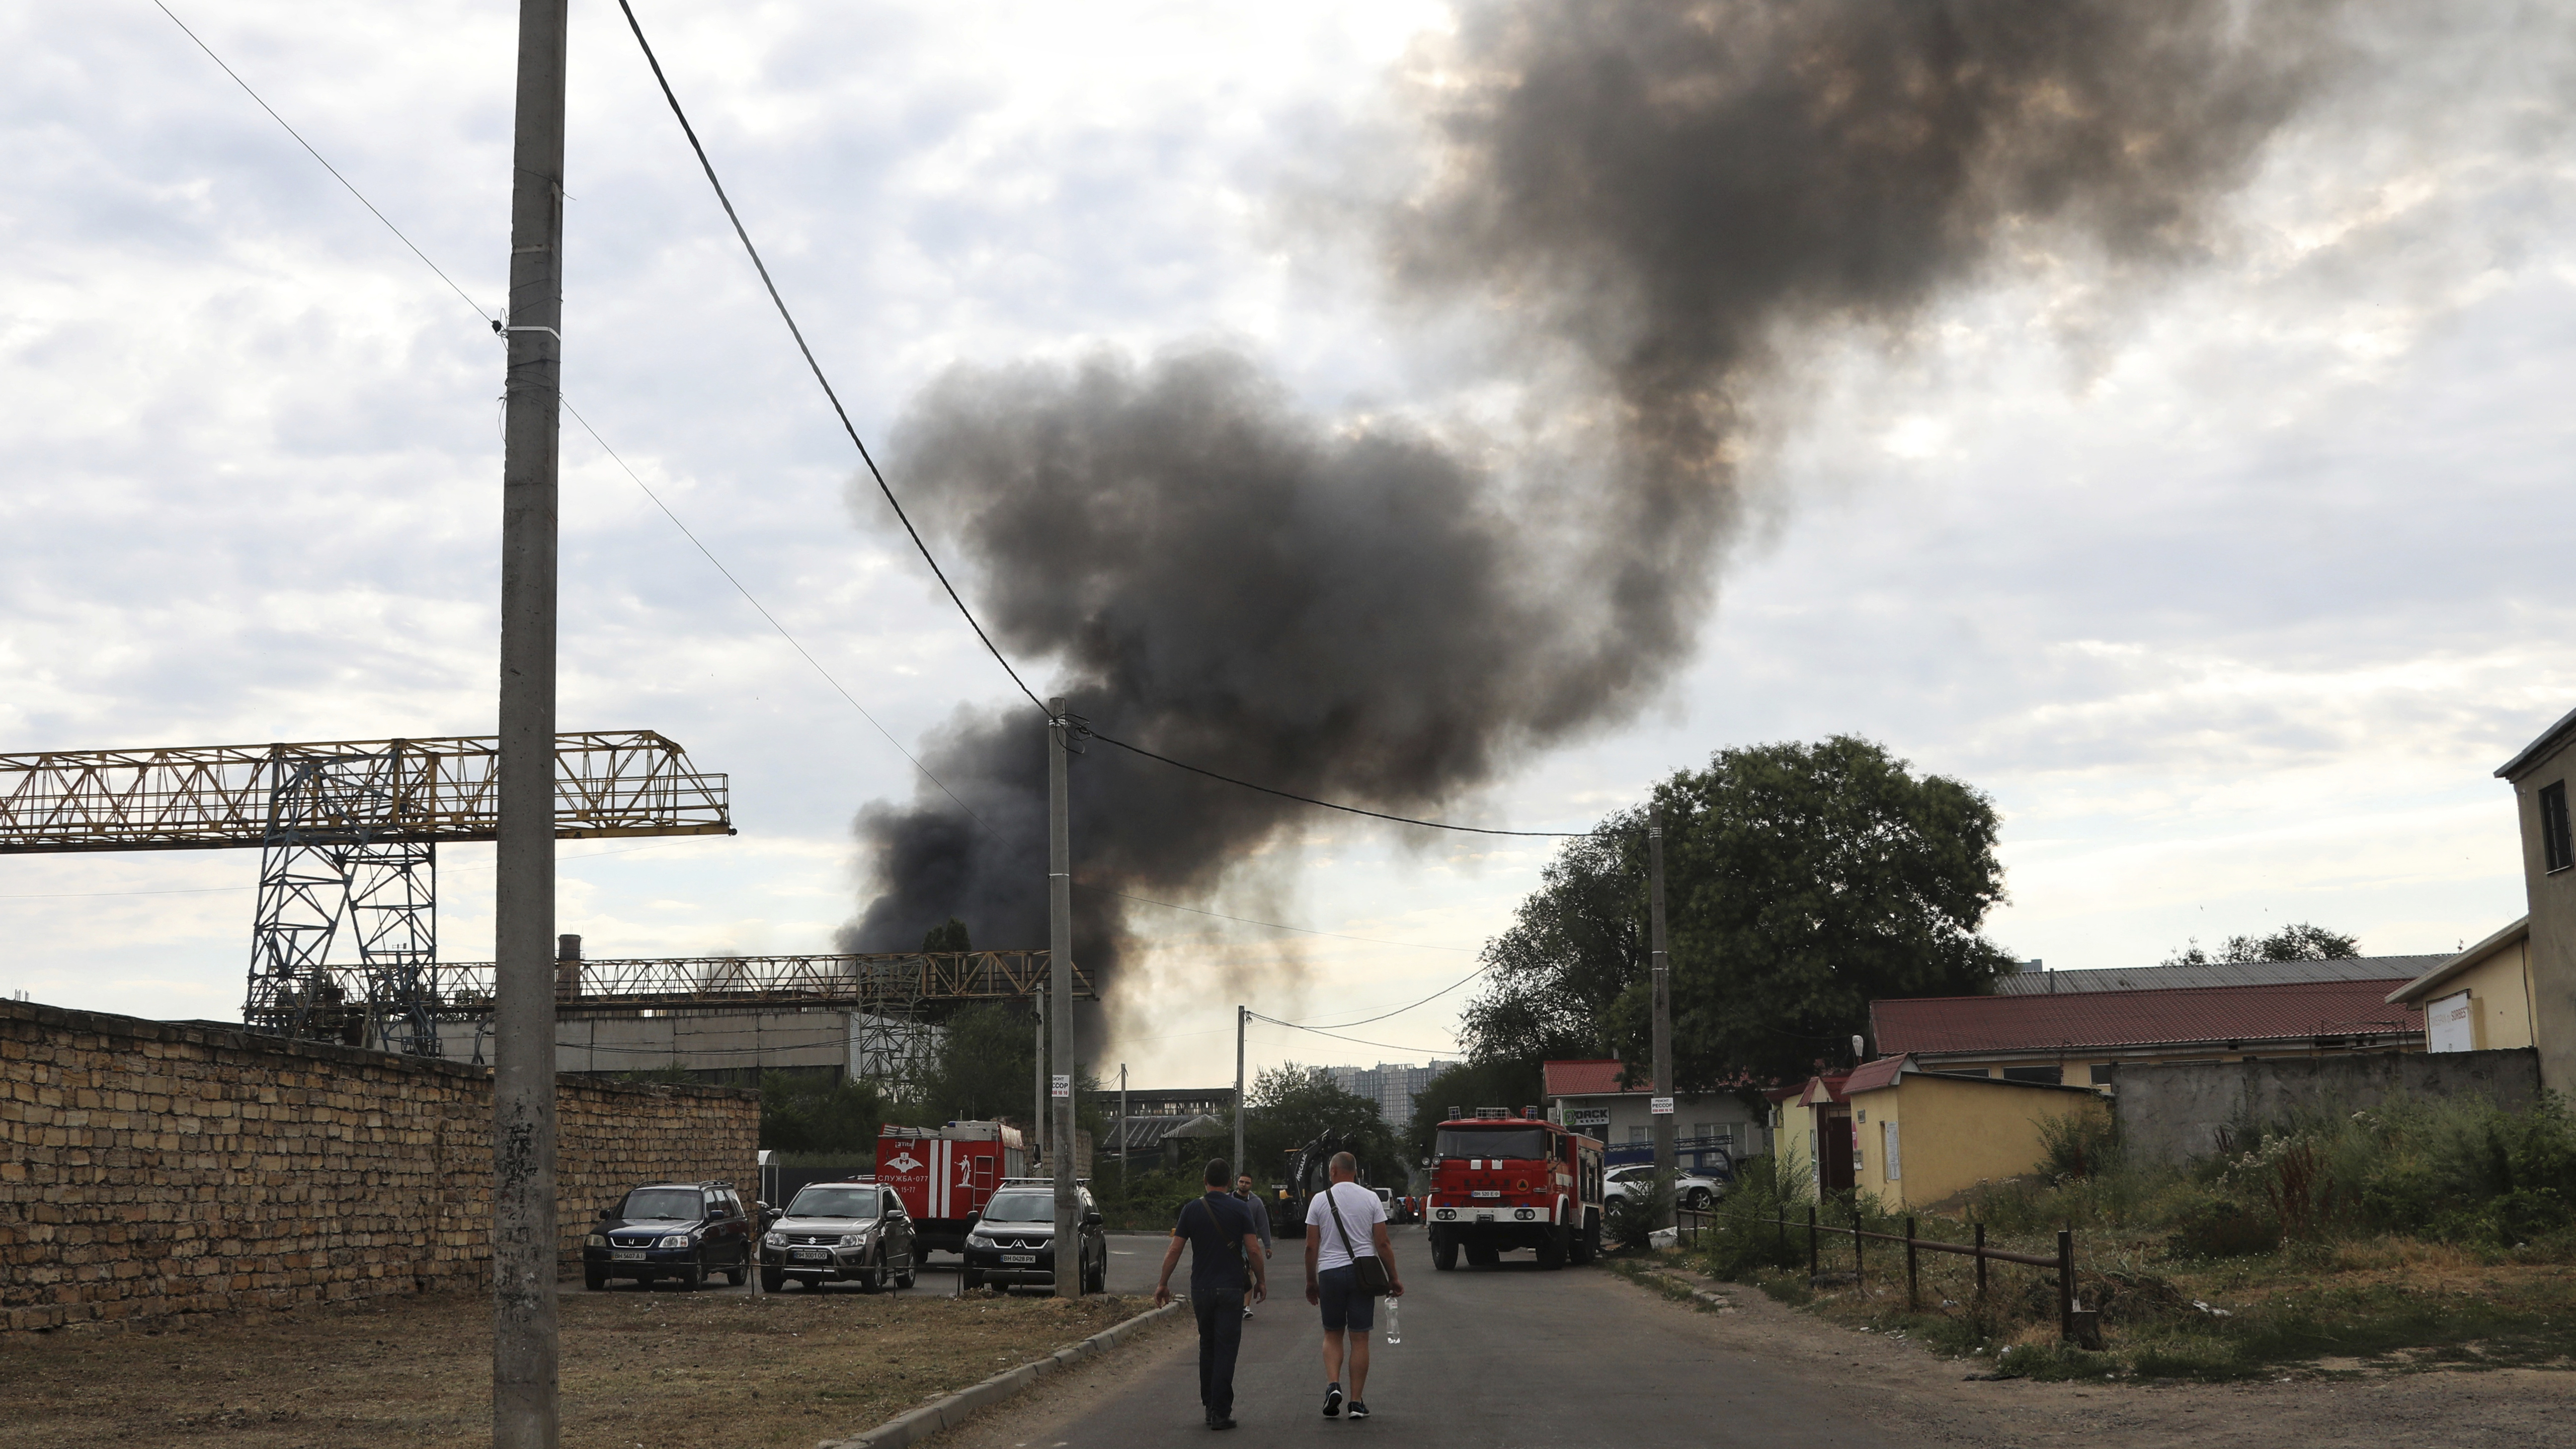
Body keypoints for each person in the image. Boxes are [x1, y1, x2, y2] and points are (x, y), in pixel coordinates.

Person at [1155, 1158, 1268, 1430]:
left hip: (1202, 1289)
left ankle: (1209, 1407)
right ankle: (1220, 1411)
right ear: (1230, 1182)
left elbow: (1175, 1250)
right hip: (1231, 1289)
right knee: (1226, 1349)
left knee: (1207, 1345)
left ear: (1205, 1181)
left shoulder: (1191, 1209)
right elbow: (1253, 1250)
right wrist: (1261, 1280)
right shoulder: (1240, 1209)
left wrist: (1163, 1283)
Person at [1303, 1151, 1403, 1423]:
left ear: (1332, 1171)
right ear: (1355, 1172)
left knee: (1332, 1334)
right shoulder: (1371, 1198)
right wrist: (1393, 1277)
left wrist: (1311, 1281)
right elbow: (1382, 1243)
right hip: (1363, 1276)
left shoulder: (1320, 1200)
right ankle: (1356, 1402)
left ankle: (1333, 1385)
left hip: (1330, 1274)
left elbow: (1312, 1246)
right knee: (1360, 1338)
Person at [1234, 1173, 1273, 1319]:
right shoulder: (1228, 1199)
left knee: (1248, 1272)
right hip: (1229, 1242)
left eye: (1247, 1183)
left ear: (1251, 1185)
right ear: (1237, 1183)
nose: (1244, 1185)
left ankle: (1245, 1306)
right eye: (1242, 1182)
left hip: (1248, 1242)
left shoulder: (1256, 1203)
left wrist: (1267, 1245)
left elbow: (1263, 1225)